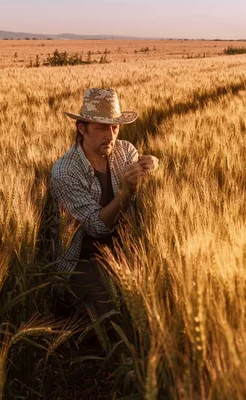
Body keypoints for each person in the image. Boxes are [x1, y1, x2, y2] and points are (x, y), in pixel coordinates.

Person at [50, 88, 159, 317]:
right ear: (82, 128)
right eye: (101, 128)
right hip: (84, 259)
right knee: (112, 312)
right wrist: (125, 193)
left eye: (115, 127)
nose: (110, 136)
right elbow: (97, 227)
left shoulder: (125, 151)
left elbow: (145, 182)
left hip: (126, 249)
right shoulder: (65, 172)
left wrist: (152, 166)